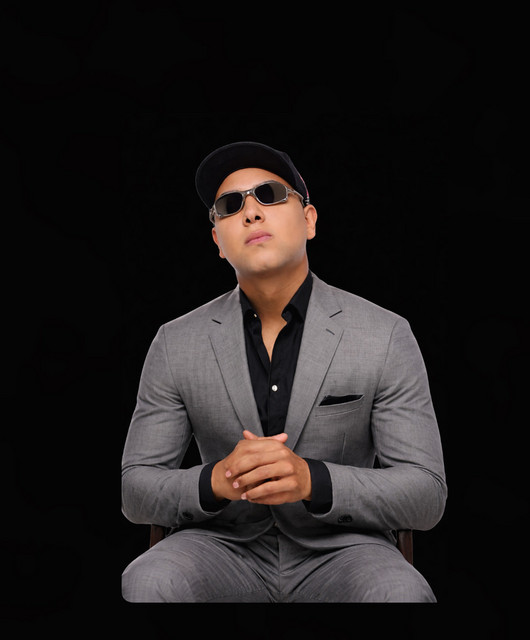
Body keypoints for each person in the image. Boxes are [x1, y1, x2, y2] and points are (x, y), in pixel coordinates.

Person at [121, 141, 447, 602]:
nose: (251, 213)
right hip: (220, 547)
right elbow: (135, 489)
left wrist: (313, 479)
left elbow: (426, 493)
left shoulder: (386, 334)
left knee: (400, 592)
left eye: (270, 195)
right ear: (217, 242)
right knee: (149, 580)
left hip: (345, 550)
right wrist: (217, 480)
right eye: (230, 206)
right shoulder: (175, 342)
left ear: (309, 220)